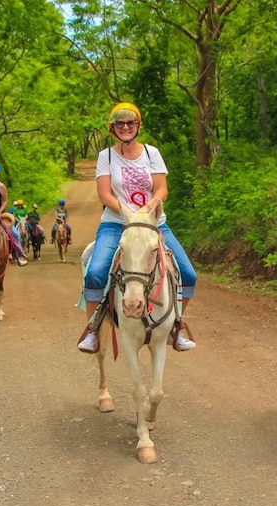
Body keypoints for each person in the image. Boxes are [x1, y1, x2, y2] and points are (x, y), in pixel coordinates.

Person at [77, 102, 197, 353]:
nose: (126, 127)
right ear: (113, 128)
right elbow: (104, 194)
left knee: (188, 274)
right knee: (96, 271)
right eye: (120, 123)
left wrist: (150, 207)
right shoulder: (106, 156)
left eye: (131, 123)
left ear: (137, 126)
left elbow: (162, 188)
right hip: (116, 224)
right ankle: (92, 329)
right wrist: (128, 212)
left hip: (153, 224)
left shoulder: (152, 153)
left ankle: (175, 326)